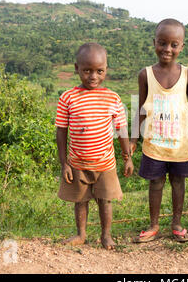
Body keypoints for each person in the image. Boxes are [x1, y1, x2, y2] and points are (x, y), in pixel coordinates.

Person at [130, 19, 188, 243]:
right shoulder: (146, 75)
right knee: (156, 183)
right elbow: (141, 107)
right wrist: (133, 138)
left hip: (181, 145)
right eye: (162, 43)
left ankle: (177, 224)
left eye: (174, 44)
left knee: (178, 182)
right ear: (154, 43)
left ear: (182, 46)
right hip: (154, 144)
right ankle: (153, 225)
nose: (167, 49)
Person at [55, 42, 133, 250]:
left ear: (106, 69)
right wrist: (64, 164)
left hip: (105, 163)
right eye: (87, 70)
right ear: (76, 68)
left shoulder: (112, 98)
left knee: (105, 201)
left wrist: (128, 158)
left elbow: (121, 131)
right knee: (80, 201)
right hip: (77, 162)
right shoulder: (68, 98)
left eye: (99, 71)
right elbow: (61, 132)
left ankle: (106, 236)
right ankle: (80, 234)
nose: (93, 76)